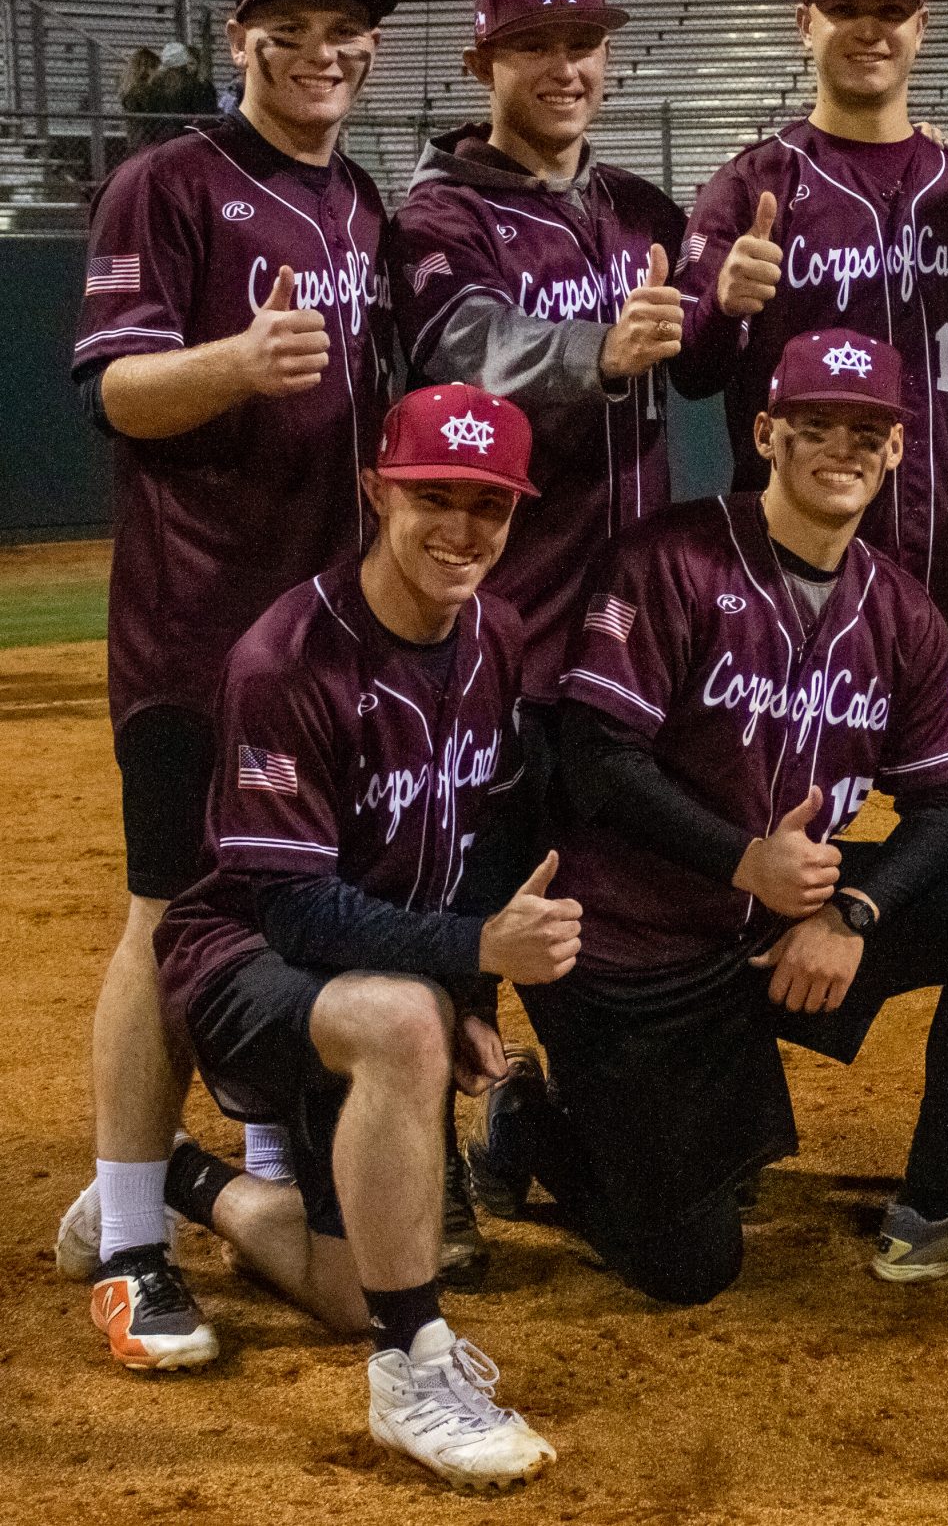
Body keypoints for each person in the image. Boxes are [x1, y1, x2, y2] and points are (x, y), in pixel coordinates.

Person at [471, 327, 948, 1303]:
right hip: (629, 951)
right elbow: (596, 763)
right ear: (765, 433)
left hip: (773, 934)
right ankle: (537, 1126)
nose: (841, 448)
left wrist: (853, 914)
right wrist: (743, 861)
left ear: (895, 449)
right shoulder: (669, 560)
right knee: (689, 1267)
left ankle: (935, 1212)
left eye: (865, 430)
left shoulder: (901, 612)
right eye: (815, 426)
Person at [53, 0, 398, 1374]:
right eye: (292, 25)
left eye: (345, 25)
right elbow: (122, 393)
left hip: (327, 644)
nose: (324, 48)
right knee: (164, 914)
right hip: (198, 636)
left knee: (290, 910)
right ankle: (132, 1235)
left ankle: (256, 1166)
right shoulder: (171, 183)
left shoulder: (364, 200)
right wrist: (234, 366)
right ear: (243, 37)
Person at [146, 383, 561, 1489]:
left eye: (490, 505)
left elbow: (475, 844)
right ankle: (414, 1369)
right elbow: (292, 907)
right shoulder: (284, 659)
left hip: (378, 966)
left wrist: (474, 998)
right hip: (243, 960)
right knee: (400, 1021)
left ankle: (182, 1183)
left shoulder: (496, 636)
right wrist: (469, 963)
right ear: (376, 490)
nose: (462, 530)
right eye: (434, 496)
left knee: (344, 1283)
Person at [383, 0, 687, 1277]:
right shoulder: (442, 214)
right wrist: (594, 349)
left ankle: (544, 1120)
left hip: (631, 638)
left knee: (615, 892)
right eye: (536, 48)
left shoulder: (632, 207)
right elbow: (463, 348)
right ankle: (430, 1160)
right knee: (466, 883)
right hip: (505, 625)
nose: (566, 67)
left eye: (585, 45)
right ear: (484, 68)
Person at [675, 0, 948, 804]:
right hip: (792, 586)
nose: (870, 29)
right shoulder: (754, 186)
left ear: (921, 28)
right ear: (805, 23)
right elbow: (692, 373)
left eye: (892, 10)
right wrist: (723, 303)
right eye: (844, 9)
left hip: (946, 572)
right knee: (772, 814)